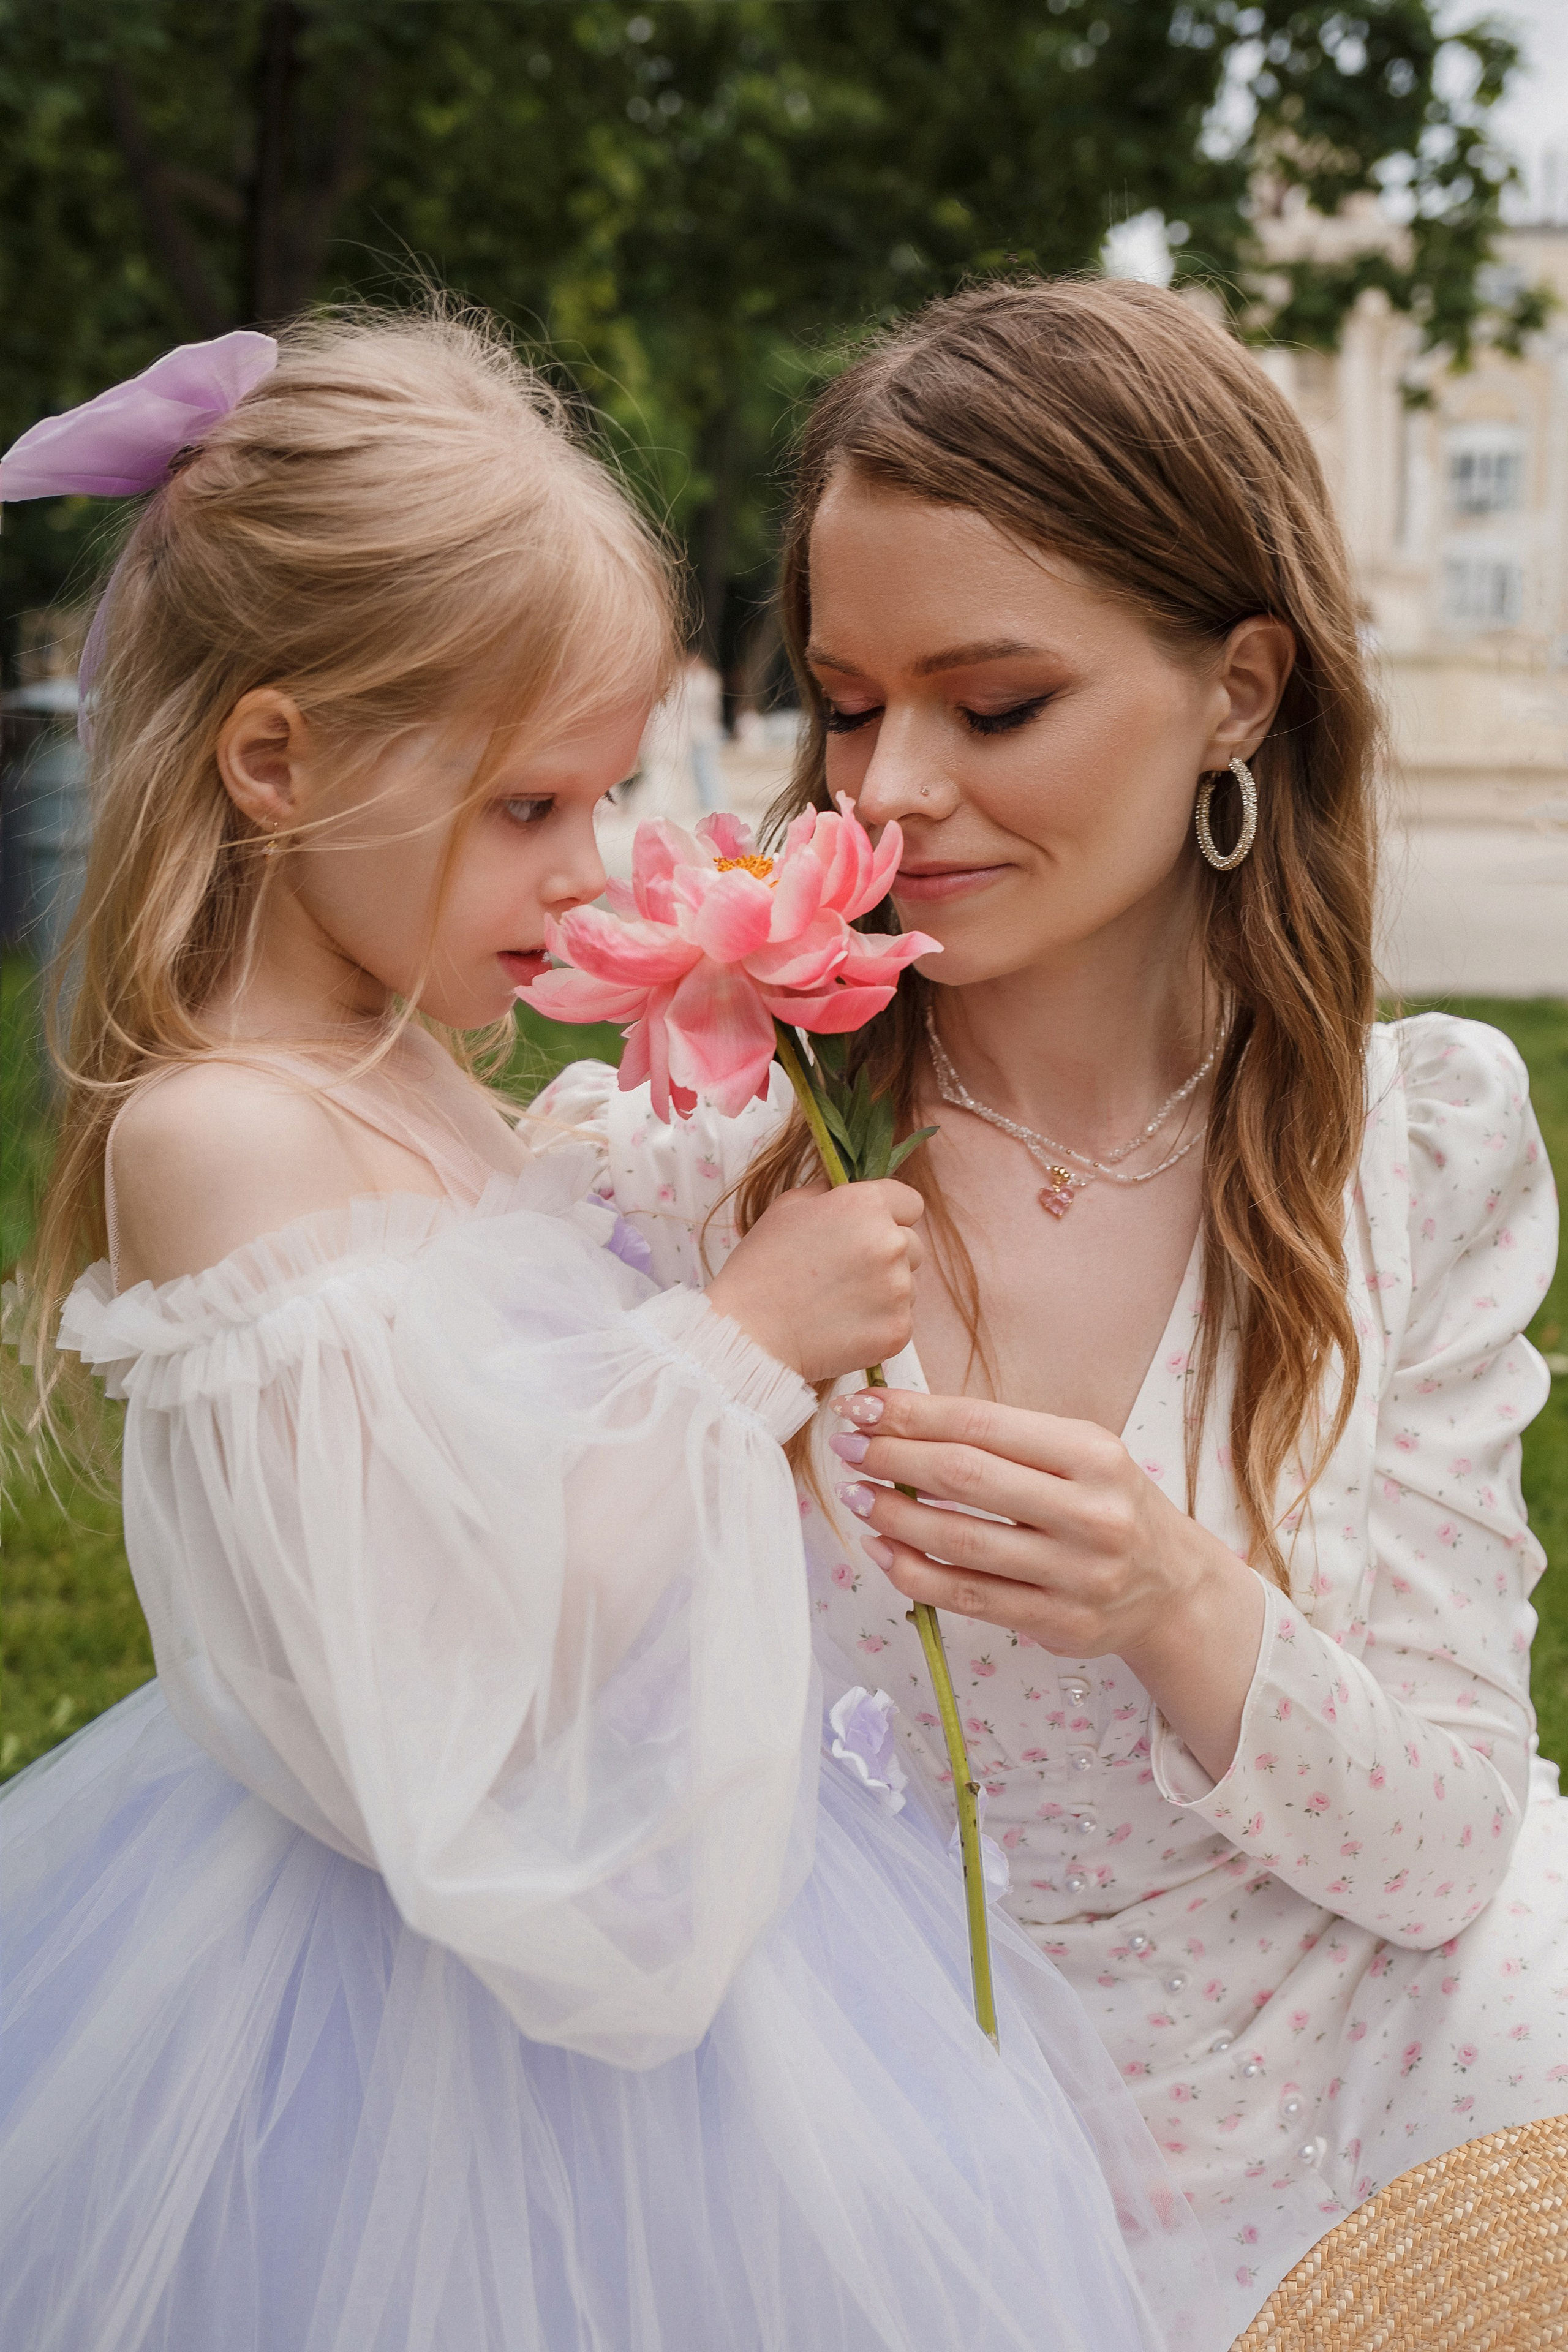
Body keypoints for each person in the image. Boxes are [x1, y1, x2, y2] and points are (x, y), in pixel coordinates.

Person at [0, 312, 1218, 2352]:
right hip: (414, 2002)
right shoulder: (223, 1139)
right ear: (277, 759)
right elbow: (437, 1658)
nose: (589, 878)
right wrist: (738, 1344)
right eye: (526, 810)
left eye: (605, 793)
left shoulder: (422, 1081)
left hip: (679, 1900)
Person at [537, 277, 1565, 2335]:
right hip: (856, 2141)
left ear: (1241, 690)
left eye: (994, 705)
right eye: (845, 700)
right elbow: (501, 1663)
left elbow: (1451, 1835)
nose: (892, 787)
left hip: (1370, 2102)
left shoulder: (1408, 1147)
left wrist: (1176, 1601)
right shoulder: (693, 1159)